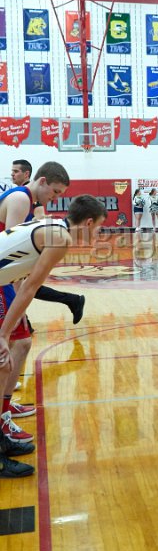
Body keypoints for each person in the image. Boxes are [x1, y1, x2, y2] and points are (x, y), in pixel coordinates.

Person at [0, 194, 106, 477]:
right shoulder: (61, 238)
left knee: (6, 363)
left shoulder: (53, 227)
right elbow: (30, 287)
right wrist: (4, 333)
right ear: (88, 222)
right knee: (2, 362)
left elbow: (22, 279)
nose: (98, 234)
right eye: (98, 228)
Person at [0, 161, 73, 446]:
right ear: (42, 181)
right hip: (4, 279)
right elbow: (11, 255)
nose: (54, 198)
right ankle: (3, 416)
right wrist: (19, 304)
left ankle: (6, 405)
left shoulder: (29, 201)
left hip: (6, 279)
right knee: (14, 345)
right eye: (54, 191)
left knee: (21, 343)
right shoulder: (21, 199)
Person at [10, 159, 85, 325]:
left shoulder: (29, 196)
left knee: (30, 285)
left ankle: (71, 300)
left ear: (27, 174)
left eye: (16, 171)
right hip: (16, 255)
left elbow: (39, 219)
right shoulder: (21, 195)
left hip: (23, 250)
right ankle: (72, 300)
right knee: (30, 286)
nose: (12, 174)